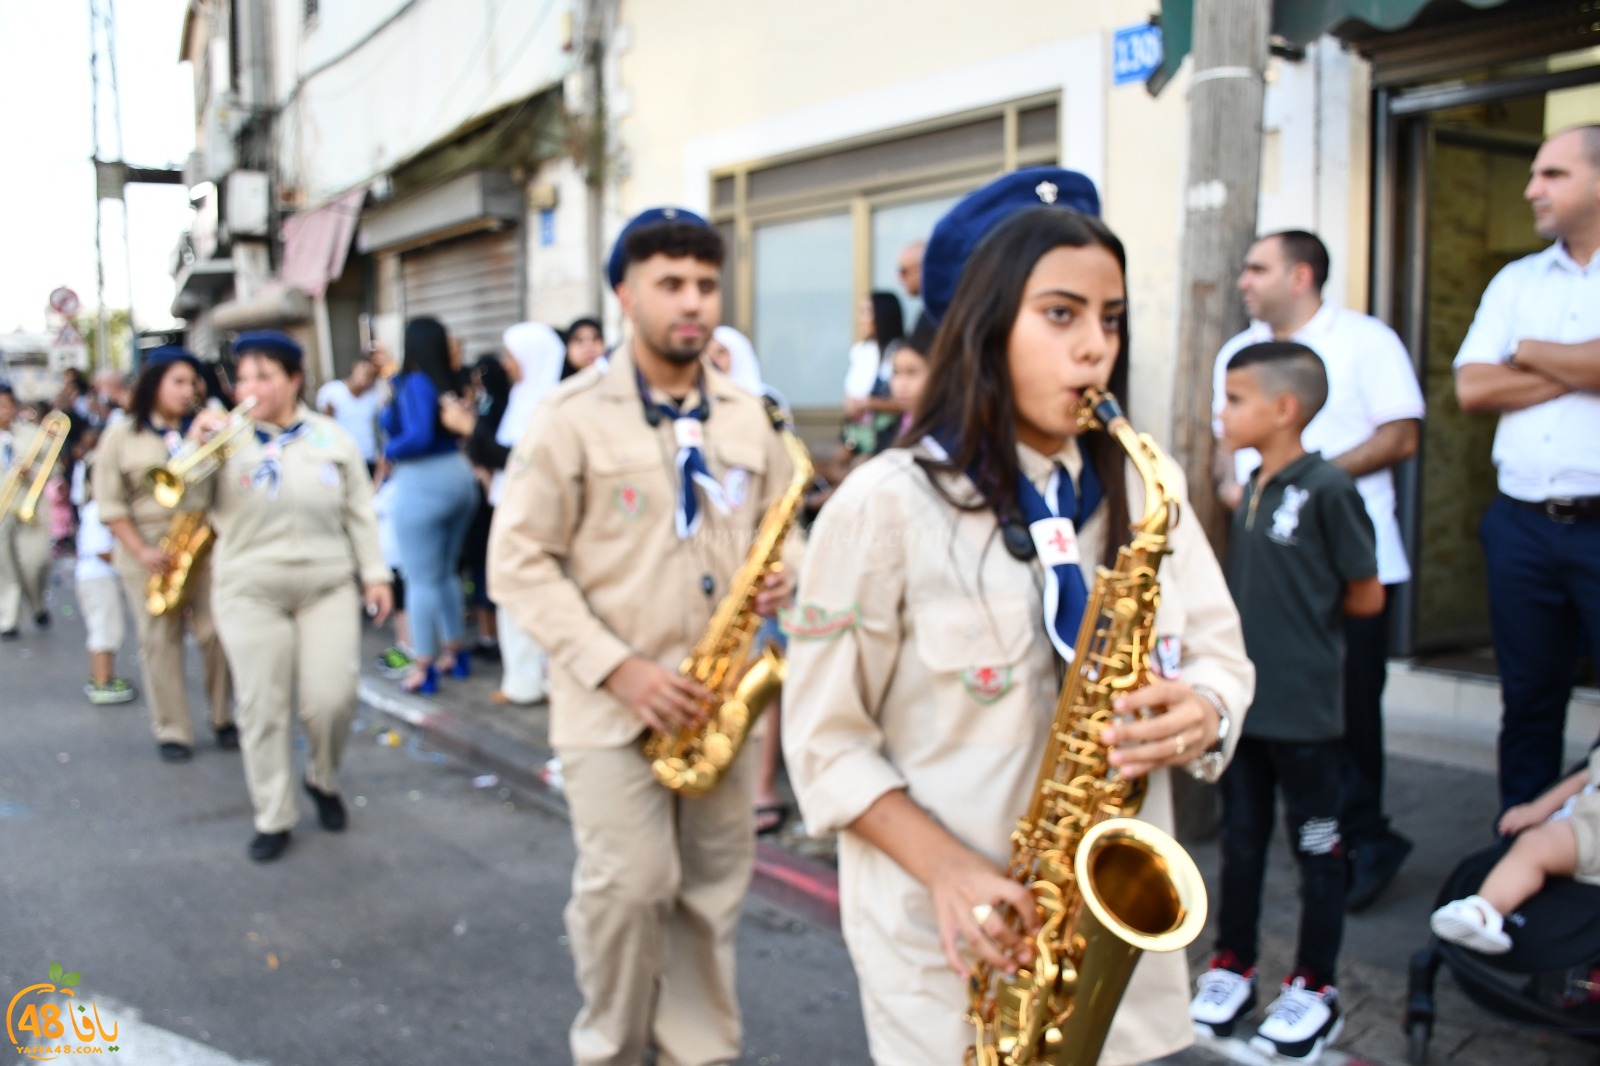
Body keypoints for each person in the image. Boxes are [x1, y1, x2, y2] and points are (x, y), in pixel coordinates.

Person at [782, 168, 1254, 1066]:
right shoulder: (884, 505)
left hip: (1119, 961)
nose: (1095, 351)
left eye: (1110, 319)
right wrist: (950, 871)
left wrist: (1208, 710)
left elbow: (1225, 661)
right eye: (1062, 315)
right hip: (954, 946)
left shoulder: (1145, 489)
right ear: (983, 326)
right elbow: (823, 742)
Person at [488, 206, 801, 1066]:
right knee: (630, 889)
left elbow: (787, 522)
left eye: (705, 284)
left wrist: (790, 568)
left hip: (719, 700)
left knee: (709, 897)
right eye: (670, 283)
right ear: (625, 294)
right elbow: (516, 564)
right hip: (610, 706)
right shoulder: (568, 416)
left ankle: (696, 1052)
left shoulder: (749, 415)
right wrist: (618, 670)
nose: (692, 302)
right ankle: (613, 1050)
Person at [1211, 229, 1424, 912]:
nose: (1244, 280)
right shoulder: (1238, 352)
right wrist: (1235, 487)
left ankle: (1361, 840)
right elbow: (1224, 448)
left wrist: (1302, 483)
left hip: (1344, 569)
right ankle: (1294, 834)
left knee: (1348, 714)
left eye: (1257, 268)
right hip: (1270, 577)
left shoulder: (1368, 341)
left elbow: (1401, 433)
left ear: (1300, 275)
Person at [1191, 341, 1382, 1062]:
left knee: (1316, 849)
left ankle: (1316, 986)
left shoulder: (1328, 487)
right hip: (1248, 710)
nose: (1221, 411)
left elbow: (1366, 593)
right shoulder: (1254, 484)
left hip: (1306, 715)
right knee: (1242, 844)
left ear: (1284, 408)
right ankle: (1232, 966)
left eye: (1234, 399)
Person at [188, 330, 392, 863]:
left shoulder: (331, 437)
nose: (250, 387)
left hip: (325, 583)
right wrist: (194, 449)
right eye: (244, 377)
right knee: (262, 705)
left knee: (332, 699)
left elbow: (358, 512)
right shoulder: (222, 437)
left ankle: (322, 778)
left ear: (294, 379)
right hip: (250, 587)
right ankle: (273, 814)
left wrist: (375, 574)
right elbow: (184, 501)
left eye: (265, 376)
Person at [1454, 124, 1600, 814]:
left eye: (1552, 175)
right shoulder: (1517, 280)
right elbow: (1473, 389)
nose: (1530, 188)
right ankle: (1516, 864)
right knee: (1529, 704)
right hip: (1521, 528)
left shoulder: (1522, 310)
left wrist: (1530, 352)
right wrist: (1581, 366)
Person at [92, 349, 235, 761]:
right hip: (148, 543)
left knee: (216, 632)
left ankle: (223, 716)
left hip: (203, 538)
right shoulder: (123, 435)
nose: (187, 390)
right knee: (160, 640)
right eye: (178, 381)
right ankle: (172, 729)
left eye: (193, 382)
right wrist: (141, 550)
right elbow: (110, 503)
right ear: (154, 384)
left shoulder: (205, 424)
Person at [443, 323, 567, 704]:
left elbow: (518, 462)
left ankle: (538, 681)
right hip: (507, 506)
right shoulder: (522, 397)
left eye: (514, 357)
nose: (508, 365)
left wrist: (470, 427)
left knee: (532, 594)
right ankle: (523, 680)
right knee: (510, 593)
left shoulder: (552, 406)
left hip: (535, 513)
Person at [705, 324, 791, 835]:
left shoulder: (764, 410)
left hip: (758, 574)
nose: (715, 361)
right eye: (708, 354)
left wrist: (788, 568)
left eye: (724, 353)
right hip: (709, 575)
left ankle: (761, 784)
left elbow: (785, 505)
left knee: (762, 677)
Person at [381, 317, 478, 694]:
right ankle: (455, 651)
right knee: (446, 572)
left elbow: (417, 437)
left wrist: (388, 449)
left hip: (421, 482)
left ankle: (423, 664)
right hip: (459, 477)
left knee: (420, 578)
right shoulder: (448, 382)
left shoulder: (415, 382)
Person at [1430, 747, 1600, 954]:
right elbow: (1583, 778)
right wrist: (1537, 809)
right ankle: (1483, 911)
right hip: (1589, 829)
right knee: (1536, 844)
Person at [75, 463, 136, 704]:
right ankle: (102, 681)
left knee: (107, 627)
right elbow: (101, 550)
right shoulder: (96, 511)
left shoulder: (95, 509)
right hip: (97, 578)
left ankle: (104, 676)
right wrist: (134, 558)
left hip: (96, 577)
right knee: (105, 629)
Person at [0, 384, 54, 639]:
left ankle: (36, 603)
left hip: (29, 505)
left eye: (5, 405)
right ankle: (8, 619)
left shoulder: (33, 434)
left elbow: (53, 468)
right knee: (4, 566)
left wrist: (30, 471)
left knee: (35, 561)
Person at [841, 291, 906, 456]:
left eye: (866, 312)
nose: (860, 318)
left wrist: (868, 403)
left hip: (885, 439)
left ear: (883, 315)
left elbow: (905, 403)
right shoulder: (860, 351)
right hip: (855, 435)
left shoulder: (898, 354)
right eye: (860, 311)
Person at [317, 355, 387, 476]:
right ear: (355, 367)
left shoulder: (375, 396)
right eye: (364, 371)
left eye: (372, 375)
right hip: (343, 458)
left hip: (369, 458)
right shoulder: (333, 392)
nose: (366, 377)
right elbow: (325, 427)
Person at [889, 317, 934, 438]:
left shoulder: (946, 431)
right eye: (896, 372)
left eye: (912, 372)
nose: (901, 384)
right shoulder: (897, 425)